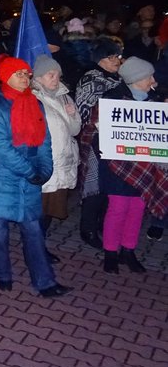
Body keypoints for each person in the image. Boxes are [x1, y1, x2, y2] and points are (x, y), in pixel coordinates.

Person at [0, 57, 72, 298]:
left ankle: (44, 282)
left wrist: (45, 168)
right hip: (3, 175)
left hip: (30, 176)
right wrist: (31, 171)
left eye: (27, 74)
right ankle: (3, 274)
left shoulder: (35, 103)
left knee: (33, 229)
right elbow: (0, 147)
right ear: (6, 76)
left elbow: (44, 139)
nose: (25, 78)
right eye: (18, 74)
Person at [96, 57, 160, 274]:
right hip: (118, 166)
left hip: (144, 166)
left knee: (137, 209)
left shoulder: (157, 101)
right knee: (118, 209)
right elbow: (96, 134)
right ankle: (111, 253)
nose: (153, 80)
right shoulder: (112, 99)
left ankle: (128, 251)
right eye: (149, 76)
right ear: (136, 79)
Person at [31, 55, 81, 263]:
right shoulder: (32, 98)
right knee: (39, 211)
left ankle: (39, 246)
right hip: (46, 163)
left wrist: (72, 114)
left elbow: (75, 130)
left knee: (50, 210)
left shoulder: (64, 96)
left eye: (58, 74)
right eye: (50, 74)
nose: (55, 78)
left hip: (63, 162)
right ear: (39, 77)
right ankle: (35, 249)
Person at [74, 38, 124, 248]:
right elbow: (83, 111)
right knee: (94, 184)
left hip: (114, 139)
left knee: (108, 183)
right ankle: (88, 229)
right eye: (113, 56)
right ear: (102, 59)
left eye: (118, 57)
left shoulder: (118, 79)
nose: (117, 61)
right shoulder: (91, 80)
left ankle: (103, 224)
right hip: (94, 138)